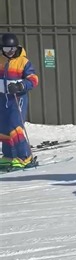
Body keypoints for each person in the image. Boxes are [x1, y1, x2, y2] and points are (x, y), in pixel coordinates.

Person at [0, 33, 39, 169]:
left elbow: (33, 79)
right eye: (6, 49)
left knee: (15, 127)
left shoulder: (23, 62)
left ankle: (25, 157)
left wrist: (20, 85)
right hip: (2, 98)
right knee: (3, 127)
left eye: (12, 49)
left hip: (18, 98)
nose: (9, 52)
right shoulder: (1, 60)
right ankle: (8, 155)